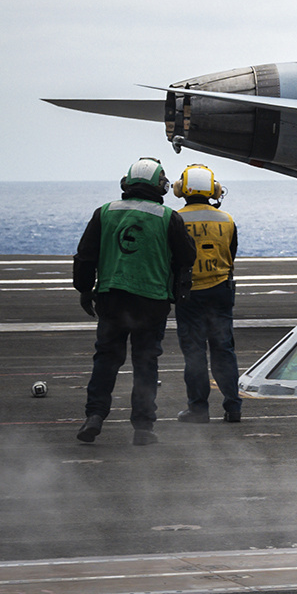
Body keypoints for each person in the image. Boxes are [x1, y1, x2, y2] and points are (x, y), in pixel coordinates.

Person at [73, 157, 195, 445]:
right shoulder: (168, 217)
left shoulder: (105, 212)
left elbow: (85, 255)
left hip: (112, 298)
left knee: (106, 359)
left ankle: (95, 416)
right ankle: (143, 427)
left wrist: (84, 289)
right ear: (160, 186)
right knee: (145, 363)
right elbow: (187, 258)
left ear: (126, 184)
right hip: (151, 302)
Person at [172, 164, 241, 424]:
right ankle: (233, 407)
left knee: (194, 353)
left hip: (189, 294)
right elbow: (231, 254)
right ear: (214, 189)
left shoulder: (176, 218)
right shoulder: (226, 219)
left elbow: (173, 258)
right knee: (223, 350)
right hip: (220, 291)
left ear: (182, 190)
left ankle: (198, 409)